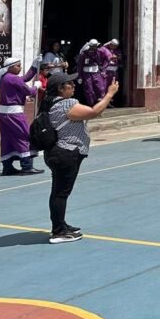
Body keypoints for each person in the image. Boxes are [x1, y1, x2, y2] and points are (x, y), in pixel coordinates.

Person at [41, 71, 119, 243]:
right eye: (70, 84)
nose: (74, 85)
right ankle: (58, 231)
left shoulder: (51, 103)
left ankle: (60, 224)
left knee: (58, 192)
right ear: (61, 89)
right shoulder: (66, 104)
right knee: (61, 193)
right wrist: (110, 94)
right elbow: (93, 111)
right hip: (66, 152)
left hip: (58, 153)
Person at [0, 56, 44, 176]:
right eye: (18, 66)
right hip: (14, 113)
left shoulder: (6, 77)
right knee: (24, 136)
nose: (20, 68)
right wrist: (36, 85)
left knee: (7, 138)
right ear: (10, 67)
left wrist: (34, 66)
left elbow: (24, 79)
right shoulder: (13, 79)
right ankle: (26, 166)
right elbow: (29, 92)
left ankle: (7, 167)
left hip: (3, 113)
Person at [77, 39, 111, 106]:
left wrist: (103, 68)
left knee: (100, 88)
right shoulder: (83, 53)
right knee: (89, 90)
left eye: (96, 46)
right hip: (86, 74)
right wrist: (79, 76)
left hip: (96, 73)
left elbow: (107, 58)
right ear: (90, 46)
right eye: (94, 46)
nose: (95, 47)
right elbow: (79, 65)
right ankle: (92, 104)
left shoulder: (99, 52)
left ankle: (100, 102)